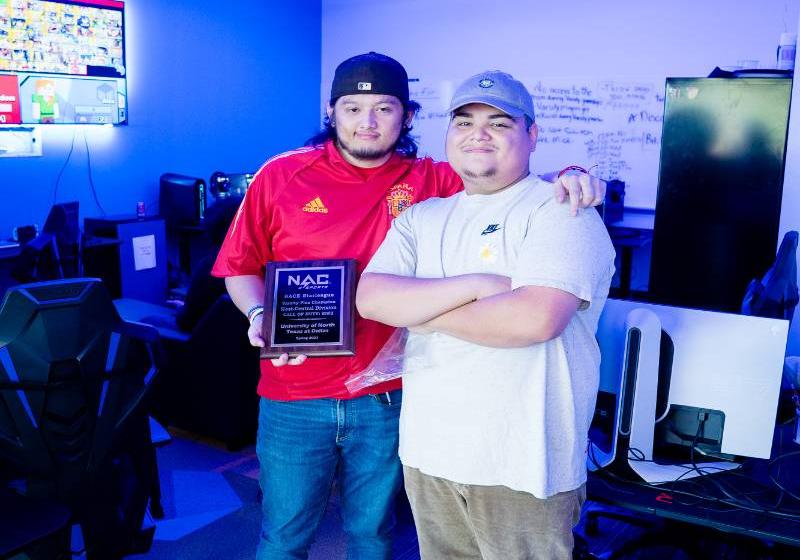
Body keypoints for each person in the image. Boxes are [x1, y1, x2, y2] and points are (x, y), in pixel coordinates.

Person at [212, 53, 604, 560]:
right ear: (331, 112)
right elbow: (240, 266)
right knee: (283, 534)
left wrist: (572, 175)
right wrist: (260, 315)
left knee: (374, 534)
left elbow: (499, 173)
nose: (367, 122)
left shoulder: (431, 182)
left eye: (383, 108)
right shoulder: (280, 175)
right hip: (295, 391)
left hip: (390, 396)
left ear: (409, 116)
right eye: (352, 108)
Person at [357, 70, 616, 559]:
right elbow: (371, 298)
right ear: (449, 134)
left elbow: (533, 320)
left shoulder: (563, 209)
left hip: (523, 465)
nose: (479, 133)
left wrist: (419, 311)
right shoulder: (421, 218)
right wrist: (476, 288)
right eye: (465, 121)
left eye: (499, 123)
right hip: (429, 454)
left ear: (532, 135)